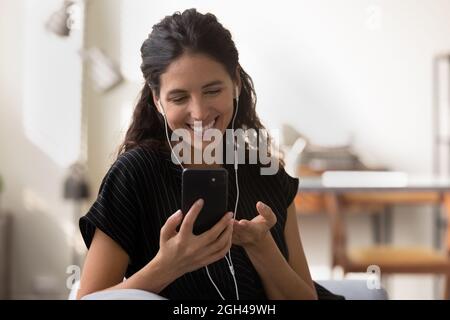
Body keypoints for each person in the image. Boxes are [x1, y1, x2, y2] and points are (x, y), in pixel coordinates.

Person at [77, 8, 338, 300]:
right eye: (179, 97)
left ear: (235, 83)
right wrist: (168, 266)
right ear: (158, 101)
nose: (199, 112)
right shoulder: (135, 175)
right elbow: (91, 299)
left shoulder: (266, 173)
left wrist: (262, 247)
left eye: (213, 91)